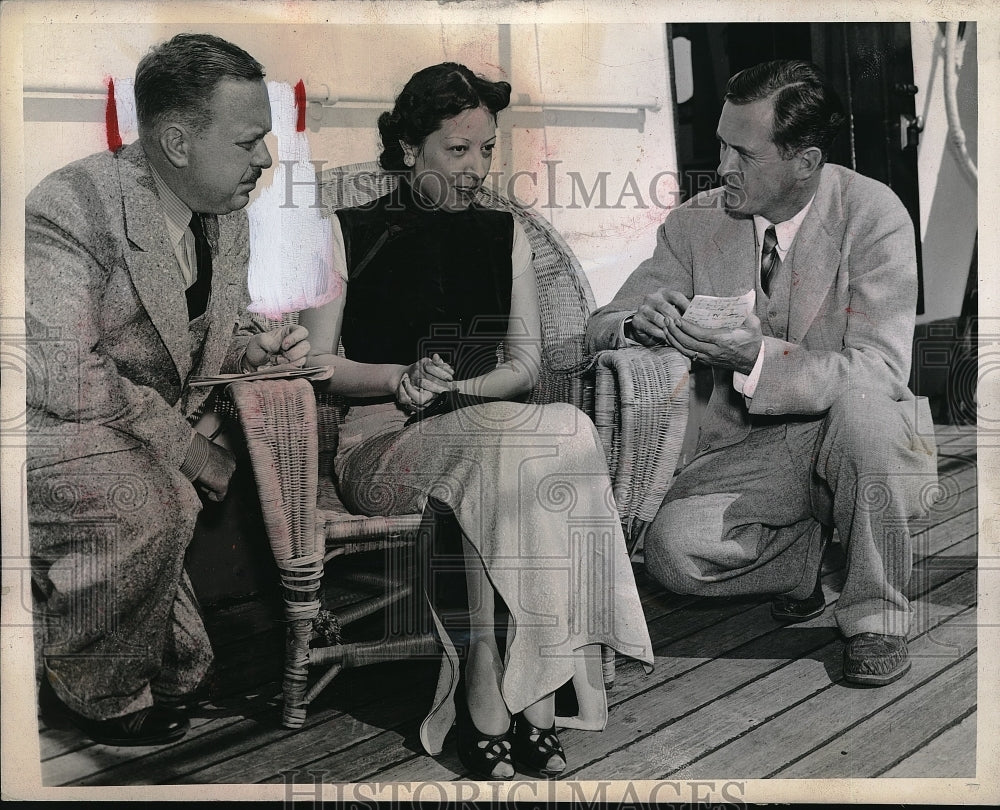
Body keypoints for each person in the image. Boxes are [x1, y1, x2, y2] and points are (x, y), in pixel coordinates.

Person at [299, 62, 653, 780]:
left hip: (488, 434)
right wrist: (398, 379)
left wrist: (460, 386)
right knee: (524, 443)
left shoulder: (505, 234)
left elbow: (524, 366)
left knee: (562, 429)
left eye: (486, 149)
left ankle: (514, 682)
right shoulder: (343, 232)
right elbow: (314, 363)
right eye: (457, 151)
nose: (476, 168)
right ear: (407, 148)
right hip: (380, 449)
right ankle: (506, 685)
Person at [586, 60, 938, 688]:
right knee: (671, 553)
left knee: (864, 416)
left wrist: (754, 358)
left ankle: (875, 617)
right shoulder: (698, 221)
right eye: (722, 144)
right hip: (756, 450)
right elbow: (598, 325)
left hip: (857, 434)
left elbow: (881, 372)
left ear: (804, 162)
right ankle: (807, 561)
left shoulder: (873, 215)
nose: (723, 167)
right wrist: (638, 322)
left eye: (742, 153)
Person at [26, 33, 310, 747]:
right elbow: (63, 368)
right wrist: (185, 447)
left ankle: (146, 664)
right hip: (44, 424)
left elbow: (189, 335)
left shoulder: (225, 213)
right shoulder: (69, 205)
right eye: (249, 142)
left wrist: (252, 347)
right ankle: (85, 695)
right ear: (178, 143)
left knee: (169, 502)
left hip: (120, 424)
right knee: (153, 499)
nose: (265, 159)